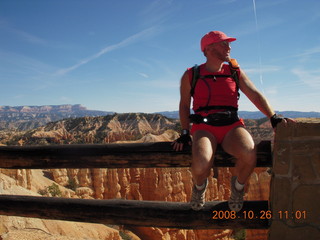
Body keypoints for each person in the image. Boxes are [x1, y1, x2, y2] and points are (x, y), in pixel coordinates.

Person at [172, 30, 294, 211]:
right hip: (204, 127)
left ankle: (238, 188)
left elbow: (254, 94)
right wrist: (184, 132)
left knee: (249, 154)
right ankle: (199, 187)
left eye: (228, 43)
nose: (229, 47)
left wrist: (273, 117)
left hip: (231, 126)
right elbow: (184, 105)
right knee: (201, 164)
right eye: (224, 43)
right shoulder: (191, 74)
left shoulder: (234, 71)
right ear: (209, 48)